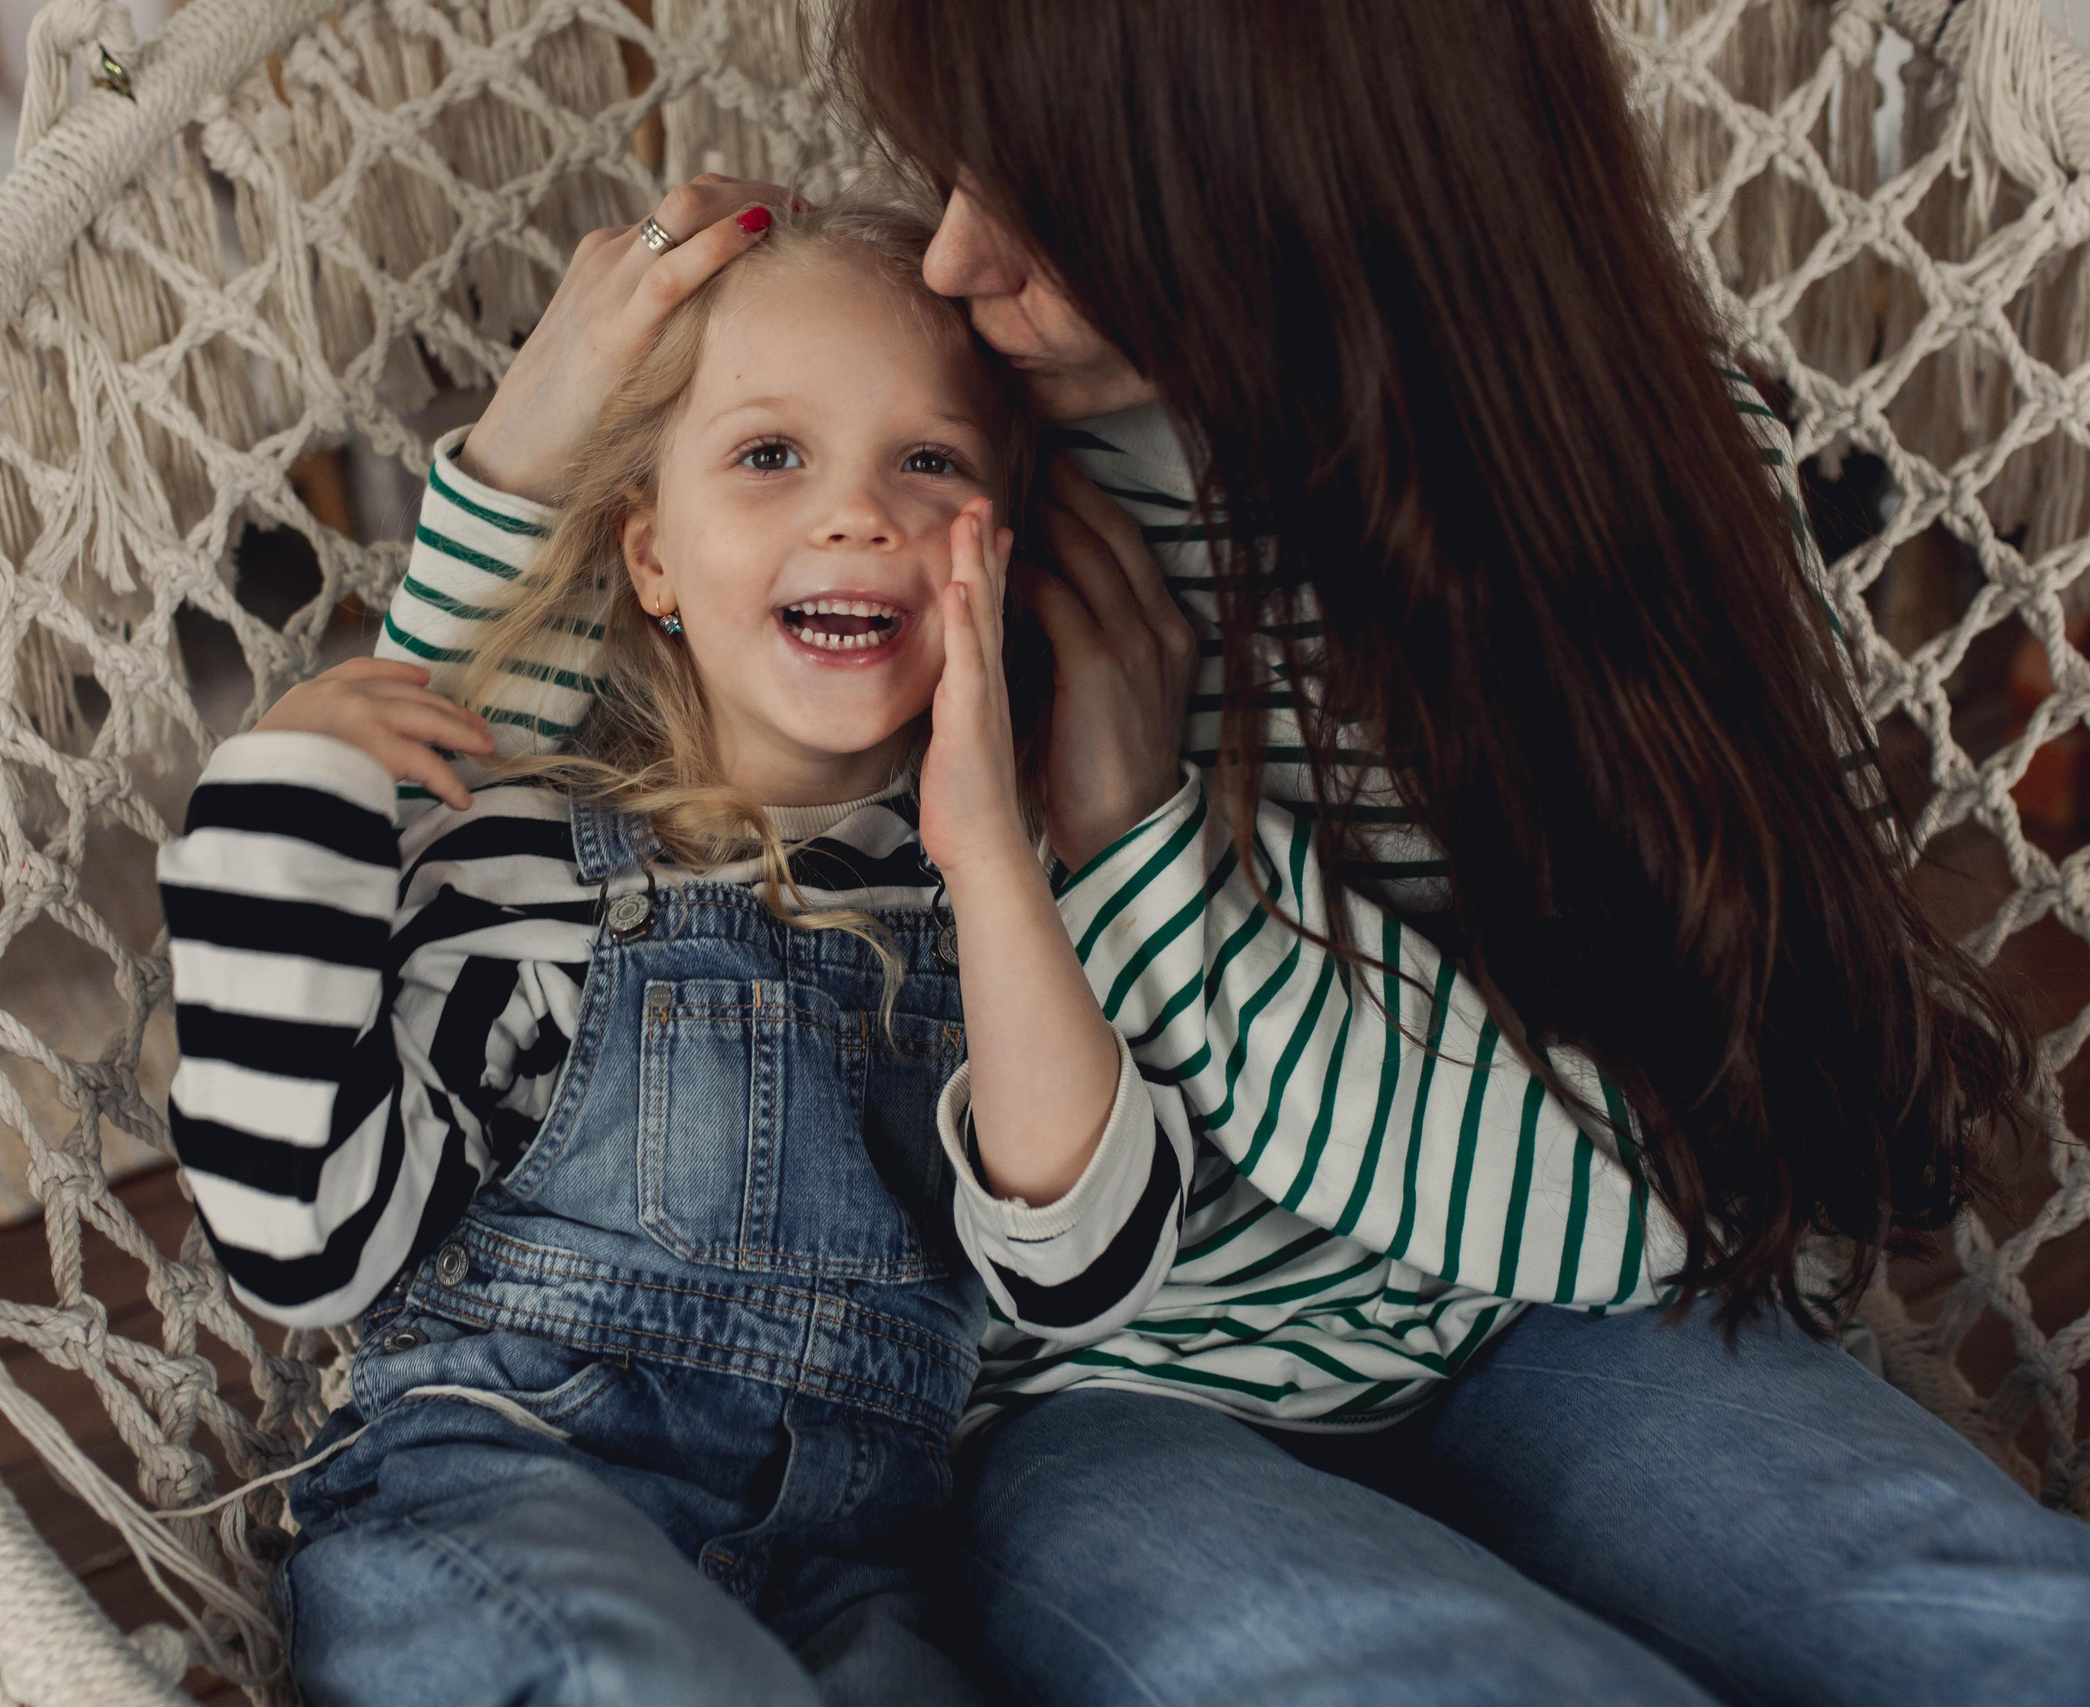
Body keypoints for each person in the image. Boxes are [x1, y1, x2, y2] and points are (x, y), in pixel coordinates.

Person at [363, 2, 2090, 1703]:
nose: (958, 261)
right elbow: (475, 840)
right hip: (1101, 1402)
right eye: (953, 179)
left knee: (1978, 1615)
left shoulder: (1646, 465)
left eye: (1047, 205)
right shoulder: (961, 464)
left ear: (1286, 182)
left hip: (1572, 1323)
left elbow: (1663, 1200)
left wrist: (1147, 851)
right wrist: (524, 464)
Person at [158, 200, 1198, 1706]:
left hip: (860, 1568)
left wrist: (985, 856)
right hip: (507, 1496)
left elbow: (1084, 1271)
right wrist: (281, 795)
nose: (858, 515)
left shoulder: (1011, 902)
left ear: (1004, 545)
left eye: (929, 462)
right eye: (771, 456)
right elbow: (306, 1241)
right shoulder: (536, 857)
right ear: (651, 554)